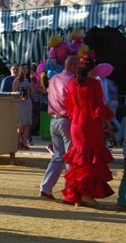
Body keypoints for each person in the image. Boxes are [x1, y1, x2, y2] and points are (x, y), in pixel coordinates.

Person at [61, 51, 114, 207]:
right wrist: (109, 125)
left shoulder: (72, 84)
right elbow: (99, 107)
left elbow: (69, 106)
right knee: (90, 161)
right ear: (92, 69)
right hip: (90, 126)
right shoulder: (94, 84)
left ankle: (76, 194)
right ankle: (85, 194)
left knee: (79, 161)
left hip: (76, 125)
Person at [38, 55, 79, 201]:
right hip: (66, 120)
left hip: (53, 120)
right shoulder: (72, 81)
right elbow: (73, 103)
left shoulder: (54, 78)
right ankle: (69, 192)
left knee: (57, 157)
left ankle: (46, 187)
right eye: (78, 65)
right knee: (69, 158)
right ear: (74, 66)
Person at [12, 63, 33, 150]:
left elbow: (32, 92)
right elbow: (13, 93)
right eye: (23, 69)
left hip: (28, 102)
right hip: (20, 103)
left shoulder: (29, 79)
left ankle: (24, 142)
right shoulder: (17, 80)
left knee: (28, 123)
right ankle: (17, 142)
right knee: (21, 123)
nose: (25, 70)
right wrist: (20, 97)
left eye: (26, 69)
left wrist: (32, 88)